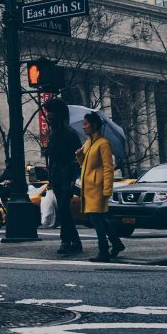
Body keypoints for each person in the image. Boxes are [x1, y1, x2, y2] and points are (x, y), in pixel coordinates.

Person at [77, 111, 125, 262]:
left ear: (95, 125)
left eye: (86, 124)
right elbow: (85, 166)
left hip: (97, 188)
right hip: (89, 188)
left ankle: (103, 250)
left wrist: (107, 189)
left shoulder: (103, 143)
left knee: (96, 219)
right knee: (101, 219)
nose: (83, 127)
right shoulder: (89, 143)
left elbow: (108, 168)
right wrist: (80, 156)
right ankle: (116, 244)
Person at [43, 98, 83, 256]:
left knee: (63, 209)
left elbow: (76, 158)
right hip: (57, 176)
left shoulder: (70, 133)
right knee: (63, 209)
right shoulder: (53, 135)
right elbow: (52, 158)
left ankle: (66, 241)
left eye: (50, 113)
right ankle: (75, 241)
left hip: (67, 176)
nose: (48, 116)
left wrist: (74, 177)